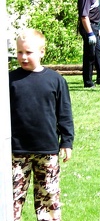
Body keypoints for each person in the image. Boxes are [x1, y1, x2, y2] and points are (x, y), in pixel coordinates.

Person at [10, 29, 74, 221]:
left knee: (49, 195)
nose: (23, 57)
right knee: (12, 196)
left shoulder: (55, 80)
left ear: (42, 52)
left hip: (47, 149)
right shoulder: (9, 81)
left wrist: (67, 142)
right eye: (19, 52)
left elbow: (64, 113)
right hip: (16, 150)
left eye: (28, 52)